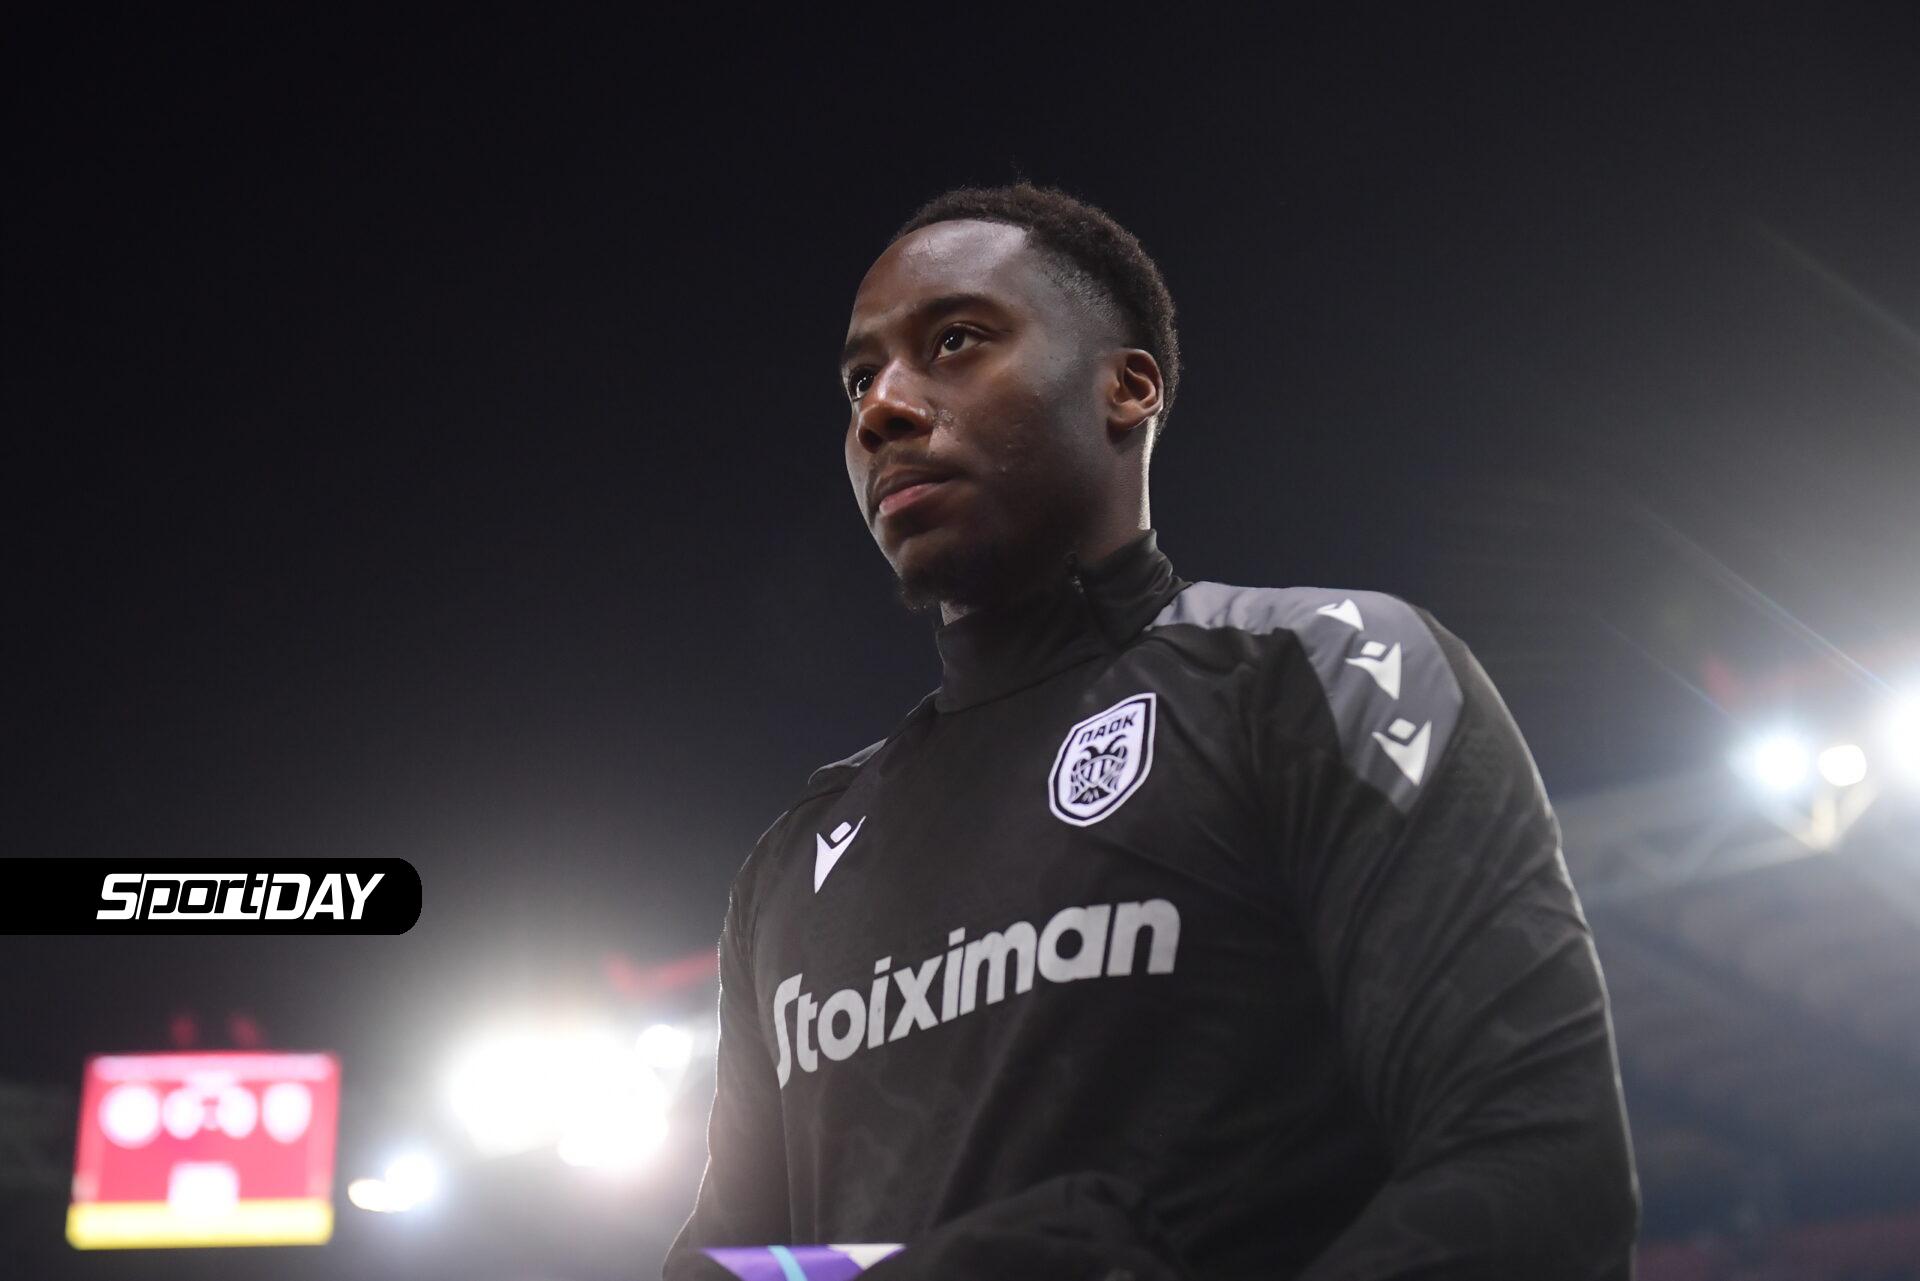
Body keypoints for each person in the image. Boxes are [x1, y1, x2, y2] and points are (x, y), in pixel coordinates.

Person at [663, 183, 1639, 1280]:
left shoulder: (1322, 673)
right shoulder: (794, 861)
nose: (881, 407)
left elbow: (1542, 1174)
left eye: (954, 341)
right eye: (858, 379)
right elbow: (722, 1267)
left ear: (1127, 388)